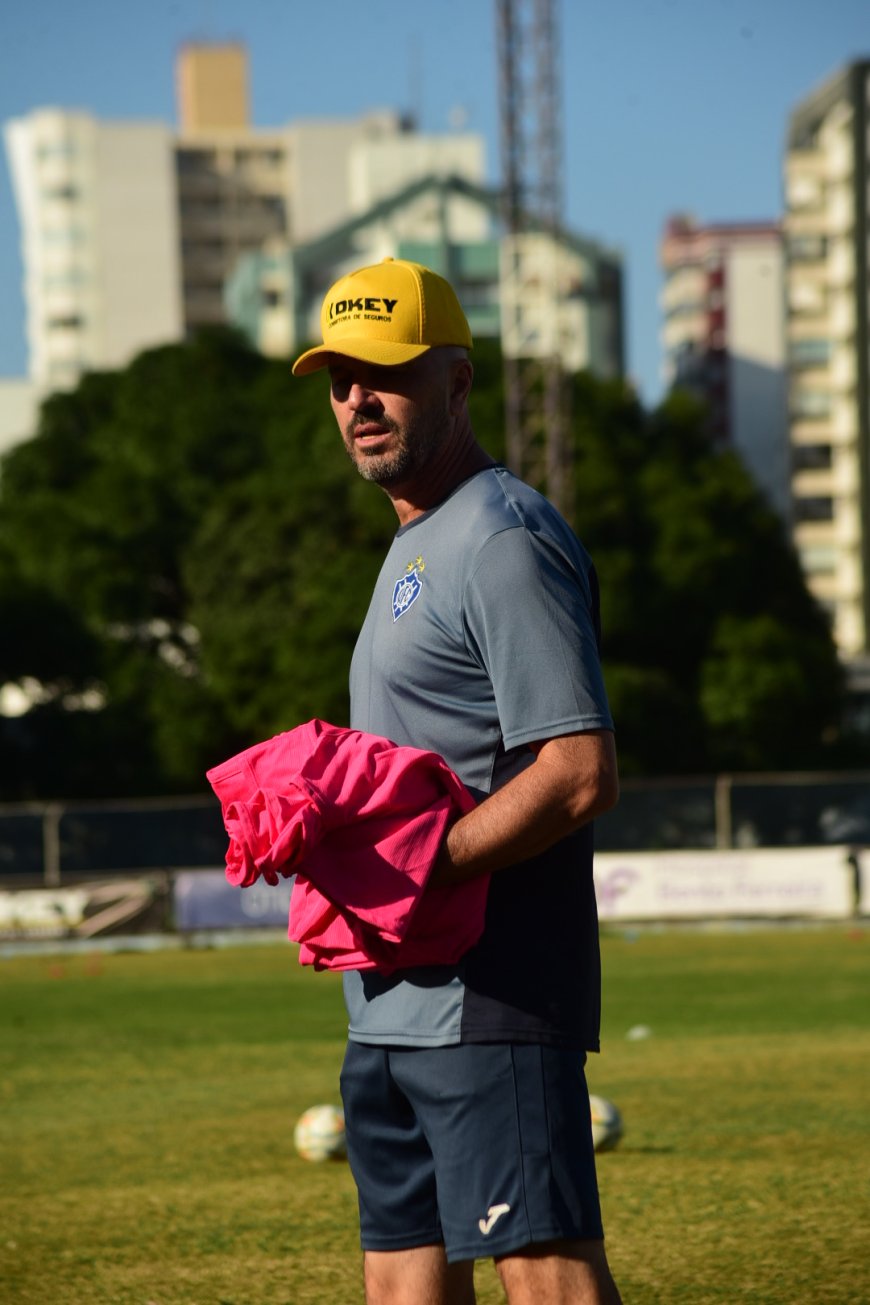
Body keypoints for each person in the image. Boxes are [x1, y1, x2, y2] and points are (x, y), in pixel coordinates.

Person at [292, 257, 622, 1305]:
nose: (358, 401)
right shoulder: (413, 543)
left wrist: (414, 867)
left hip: (492, 994)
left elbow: (575, 774)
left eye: (386, 372)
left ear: (458, 379)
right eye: (340, 378)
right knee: (402, 1289)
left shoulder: (501, 539)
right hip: (387, 1002)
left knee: (547, 1280)